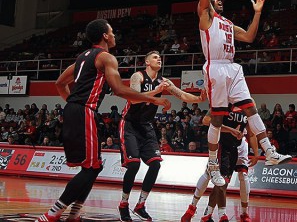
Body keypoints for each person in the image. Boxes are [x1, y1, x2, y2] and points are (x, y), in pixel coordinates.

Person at [38, 19, 171, 222]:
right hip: (85, 111)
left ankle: (74, 213)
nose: (115, 35)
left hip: (72, 110)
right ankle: (53, 214)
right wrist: (153, 98)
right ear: (105, 36)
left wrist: (73, 104)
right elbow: (119, 90)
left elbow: (59, 83)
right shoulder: (106, 58)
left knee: (93, 166)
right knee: (91, 167)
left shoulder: (82, 57)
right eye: (112, 32)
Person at [197, 0, 290, 186]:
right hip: (214, 67)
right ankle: (213, 164)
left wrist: (257, 13)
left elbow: (249, 37)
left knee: (250, 108)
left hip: (232, 68)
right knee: (217, 117)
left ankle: (269, 151)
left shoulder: (227, 23)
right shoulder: (206, 17)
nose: (219, 1)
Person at [118, 50, 206, 222]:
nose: (159, 59)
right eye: (155, 57)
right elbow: (134, 99)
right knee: (134, 165)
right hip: (130, 125)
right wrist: (156, 93)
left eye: (160, 57)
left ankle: (140, 205)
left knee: (155, 165)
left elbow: (182, 95)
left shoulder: (164, 81)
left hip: (146, 126)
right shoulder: (138, 76)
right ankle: (123, 204)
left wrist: (199, 98)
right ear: (147, 62)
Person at [181, 107, 259, 222]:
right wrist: (231, 130)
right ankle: (193, 209)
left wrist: (256, 153)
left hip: (237, 144)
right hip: (219, 143)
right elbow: (207, 121)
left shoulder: (247, 102)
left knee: (228, 181)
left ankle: (215, 213)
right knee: (209, 175)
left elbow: (252, 133)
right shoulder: (222, 99)